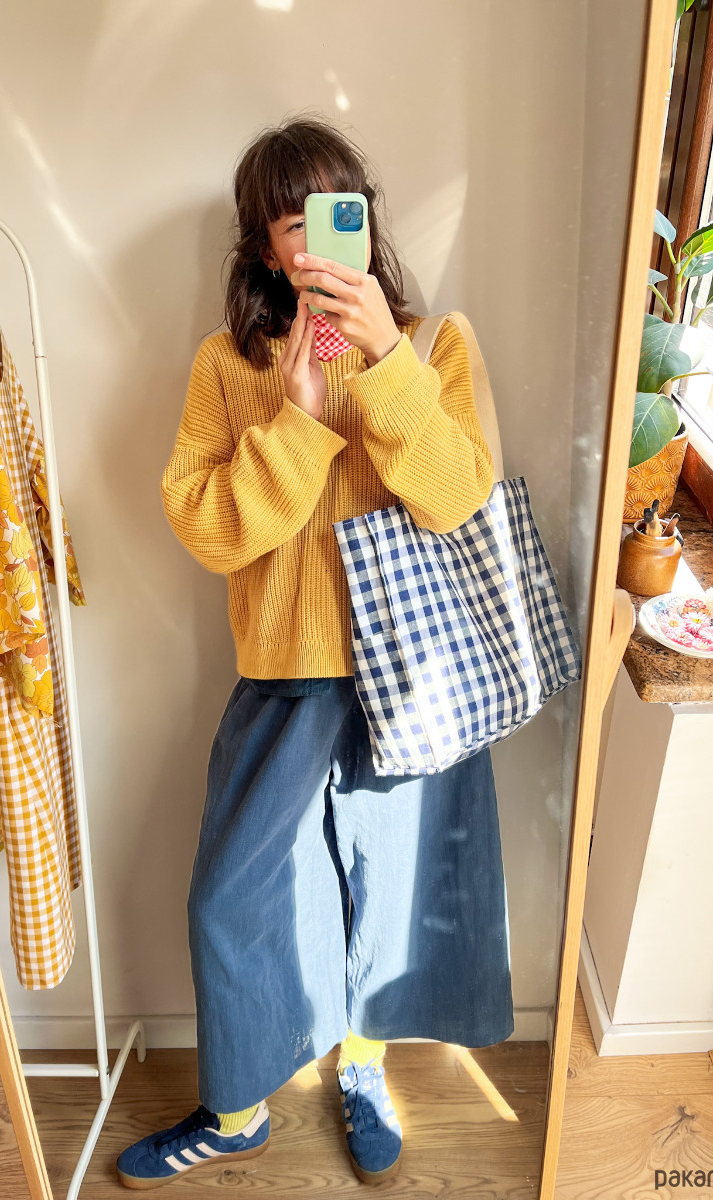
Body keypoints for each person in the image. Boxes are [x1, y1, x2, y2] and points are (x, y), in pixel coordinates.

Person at [116, 114, 514, 1190]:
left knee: (385, 897)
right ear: (262, 247)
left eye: (333, 212)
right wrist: (294, 419)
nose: (313, 239)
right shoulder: (227, 365)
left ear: (365, 220)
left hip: (415, 679)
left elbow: (456, 499)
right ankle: (237, 1113)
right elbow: (209, 531)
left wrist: (383, 362)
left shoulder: (433, 345)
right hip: (286, 681)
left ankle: (365, 1069)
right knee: (233, 899)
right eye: (287, 223)